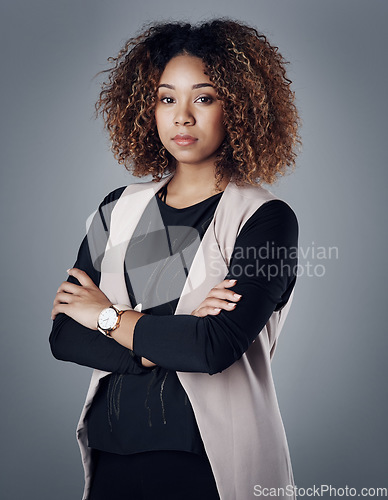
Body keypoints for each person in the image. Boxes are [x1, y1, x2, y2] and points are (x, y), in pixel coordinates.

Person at [50, 19, 300, 500]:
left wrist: (105, 316)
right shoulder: (116, 208)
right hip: (110, 455)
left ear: (241, 108)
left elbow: (212, 349)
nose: (182, 117)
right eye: (167, 98)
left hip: (207, 465)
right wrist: (171, 335)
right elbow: (64, 334)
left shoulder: (267, 220)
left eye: (203, 98)